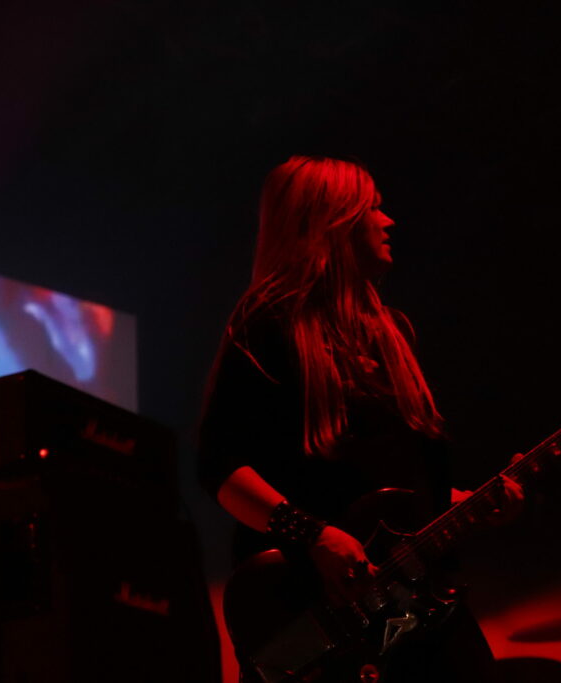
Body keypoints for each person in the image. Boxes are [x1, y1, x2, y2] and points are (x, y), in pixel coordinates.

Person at [198, 155, 523, 682]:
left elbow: (399, 490)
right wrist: (314, 536)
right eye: (372, 207)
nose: (387, 221)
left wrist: (466, 507)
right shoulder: (268, 324)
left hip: (412, 605)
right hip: (309, 610)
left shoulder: (389, 336)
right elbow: (219, 467)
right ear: (333, 222)